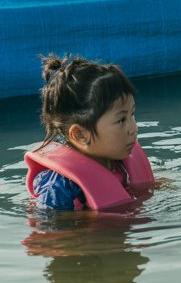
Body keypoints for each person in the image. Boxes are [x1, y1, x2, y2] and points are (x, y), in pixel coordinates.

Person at [26, 56, 154, 211]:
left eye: (132, 115)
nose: (134, 128)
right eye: (121, 120)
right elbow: (48, 229)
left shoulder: (116, 161)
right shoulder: (60, 186)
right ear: (80, 135)